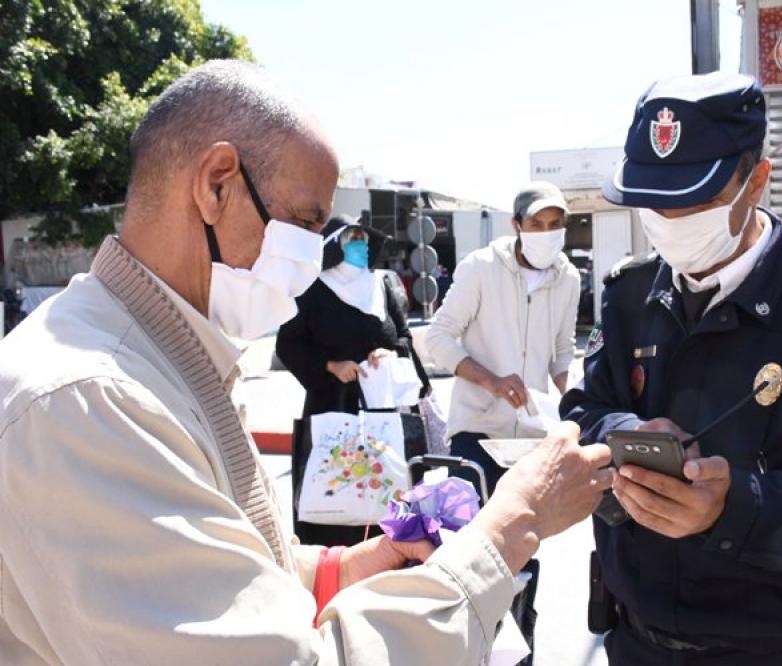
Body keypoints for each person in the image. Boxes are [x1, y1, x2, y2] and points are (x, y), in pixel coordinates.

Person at [0, 59, 614, 665]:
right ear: (216, 185)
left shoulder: (158, 360)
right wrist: (511, 525)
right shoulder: (89, 402)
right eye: (304, 222)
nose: (313, 256)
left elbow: (232, 573)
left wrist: (342, 569)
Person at [561, 72, 782, 665]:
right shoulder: (627, 295)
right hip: (633, 641)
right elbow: (582, 411)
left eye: (695, 199)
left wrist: (737, 507)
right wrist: (628, 431)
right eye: (653, 200)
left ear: (756, 181)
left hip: (773, 651)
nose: (670, 218)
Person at [276, 216, 429, 548]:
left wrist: (390, 353)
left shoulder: (382, 286)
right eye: (353, 239)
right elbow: (288, 344)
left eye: (364, 239)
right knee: (333, 497)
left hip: (382, 407)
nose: (362, 246)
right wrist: (330, 365)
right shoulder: (312, 290)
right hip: (332, 404)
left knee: (387, 496)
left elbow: (403, 337)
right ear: (334, 247)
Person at [425, 182, 581, 494]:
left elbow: (563, 351)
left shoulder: (569, 279)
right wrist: (492, 382)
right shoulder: (481, 267)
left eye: (555, 224)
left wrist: (577, 398)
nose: (546, 232)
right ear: (516, 225)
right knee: (471, 522)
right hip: (476, 432)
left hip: (533, 438)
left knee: (528, 526)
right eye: (536, 224)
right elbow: (438, 338)